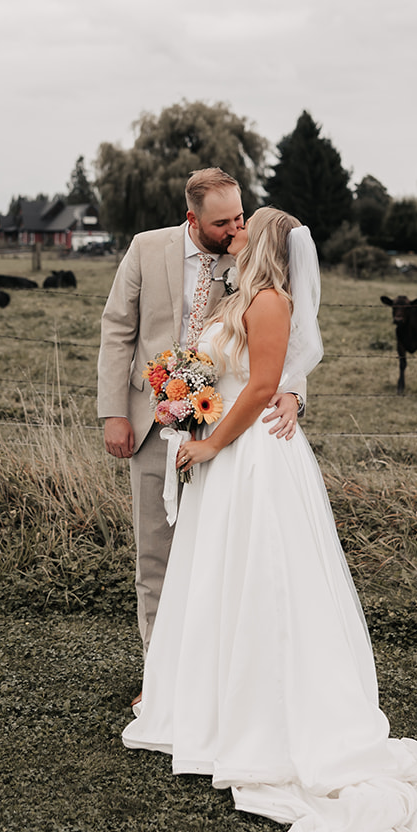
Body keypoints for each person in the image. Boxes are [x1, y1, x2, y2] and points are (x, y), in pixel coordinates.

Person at [123, 207, 417, 832]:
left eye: (242, 228)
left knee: (265, 581)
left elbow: (264, 385)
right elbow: (215, 376)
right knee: (219, 582)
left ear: (264, 242)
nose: (230, 234)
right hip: (227, 465)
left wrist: (209, 441)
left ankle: (266, 720)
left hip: (254, 464)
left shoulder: (269, 302)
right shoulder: (236, 298)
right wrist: (180, 398)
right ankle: (205, 706)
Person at [97, 168, 305, 659]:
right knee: (156, 554)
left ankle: (211, 669)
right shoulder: (147, 249)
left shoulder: (250, 262)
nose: (235, 230)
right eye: (222, 224)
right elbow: (117, 329)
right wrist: (113, 412)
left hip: (225, 434)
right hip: (151, 426)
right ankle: (160, 672)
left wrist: (294, 394)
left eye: (239, 218)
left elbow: (286, 341)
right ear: (191, 219)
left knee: (215, 558)